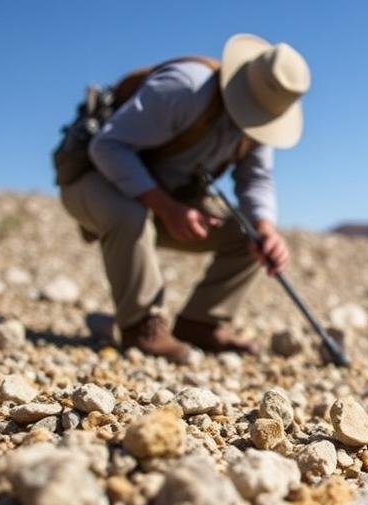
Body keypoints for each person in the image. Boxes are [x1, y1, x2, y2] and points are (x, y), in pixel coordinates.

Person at [59, 33, 308, 363]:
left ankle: (200, 324)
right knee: (128, 214)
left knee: (248, 237)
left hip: (168, 199)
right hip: (92, 181)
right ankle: (140, 327)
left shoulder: (261, 119)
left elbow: (255, 180)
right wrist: (168, 208)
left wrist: (266, 230)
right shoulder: (185, 88)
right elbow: (107, 147)